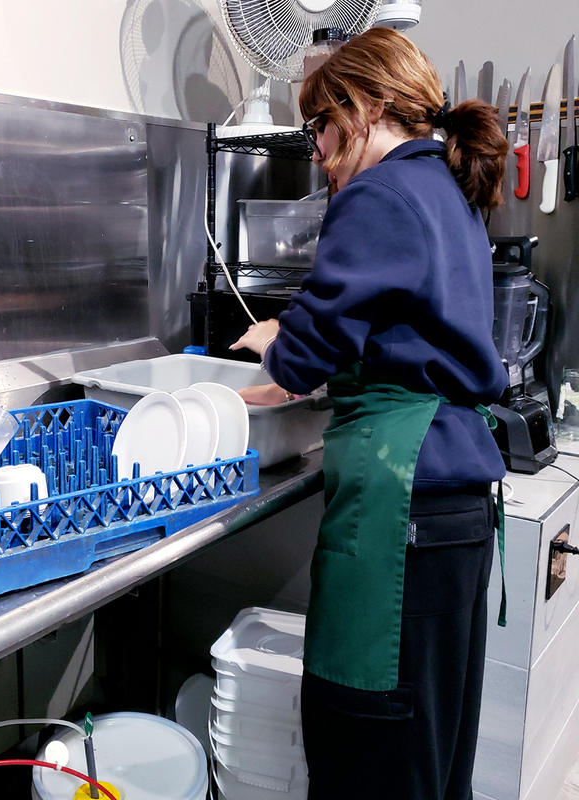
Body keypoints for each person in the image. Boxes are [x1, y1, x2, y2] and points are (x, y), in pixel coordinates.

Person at [230, 27, 509, 800]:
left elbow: (314, 344)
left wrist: (276, 356)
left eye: (320, 124)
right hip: (452, 509)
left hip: (402, 511)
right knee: (430, 755)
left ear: (369, 107)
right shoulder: (447, 194)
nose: (317, 149)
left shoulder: (380, 192)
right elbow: (394, 321)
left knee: (368, 744)